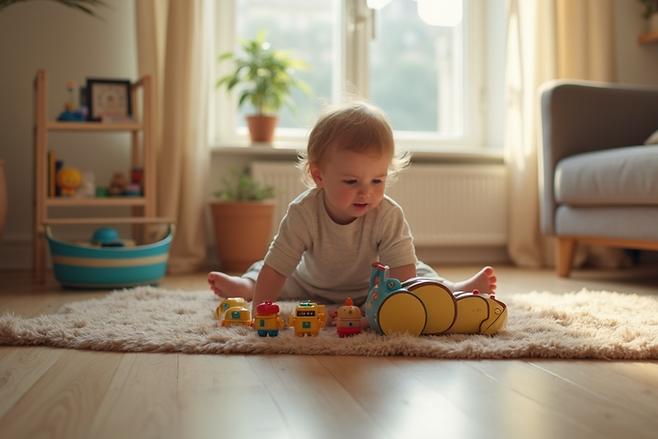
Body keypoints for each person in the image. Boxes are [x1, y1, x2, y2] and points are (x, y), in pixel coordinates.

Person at [207, 99, 497, 307]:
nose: (366, 193)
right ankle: (246, 286)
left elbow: (404, 276)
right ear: (318, 175)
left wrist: (379, 311)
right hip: (310, 284)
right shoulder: (303, 213)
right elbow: (278, 267)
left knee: (420, 276)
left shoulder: (388, 215)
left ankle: (455, 289)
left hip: (375, 287)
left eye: (377, 181)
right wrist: (261, 312)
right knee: (270, 270)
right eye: (351, 182)